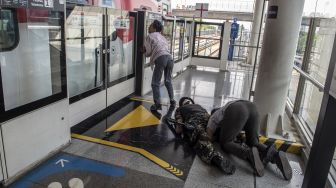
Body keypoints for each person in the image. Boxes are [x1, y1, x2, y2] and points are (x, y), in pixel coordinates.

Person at [207, 100, 292, 180]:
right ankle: (275, 155)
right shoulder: (226, 107)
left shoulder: (214, 117)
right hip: (252, 108)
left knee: (226, 142)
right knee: (253, 142)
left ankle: (248, 153)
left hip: (238, 109)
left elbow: (209, 137)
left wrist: (216, 138)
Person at [166, 97, 236, 175]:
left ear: (181, 104)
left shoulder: (179, 109)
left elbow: (179, 129)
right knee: (215, 132)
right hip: (208, 120)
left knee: (201, 138)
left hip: (194, 120)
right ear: (192, 102)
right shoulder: (199, 106)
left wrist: (178, 127)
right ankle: (232, 140)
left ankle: (215, 157)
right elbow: (211, 116)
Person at [142, 20, 175, 111]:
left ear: (154, 28)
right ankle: (172, 100)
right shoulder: (162, 37)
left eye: (151, 26)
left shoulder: (149, 36)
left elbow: (148, 52)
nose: (149, 27)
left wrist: (142, 50)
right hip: (169, 58)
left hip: (161, 58)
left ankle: (157, 104)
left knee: (155, 83)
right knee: (168, 80)